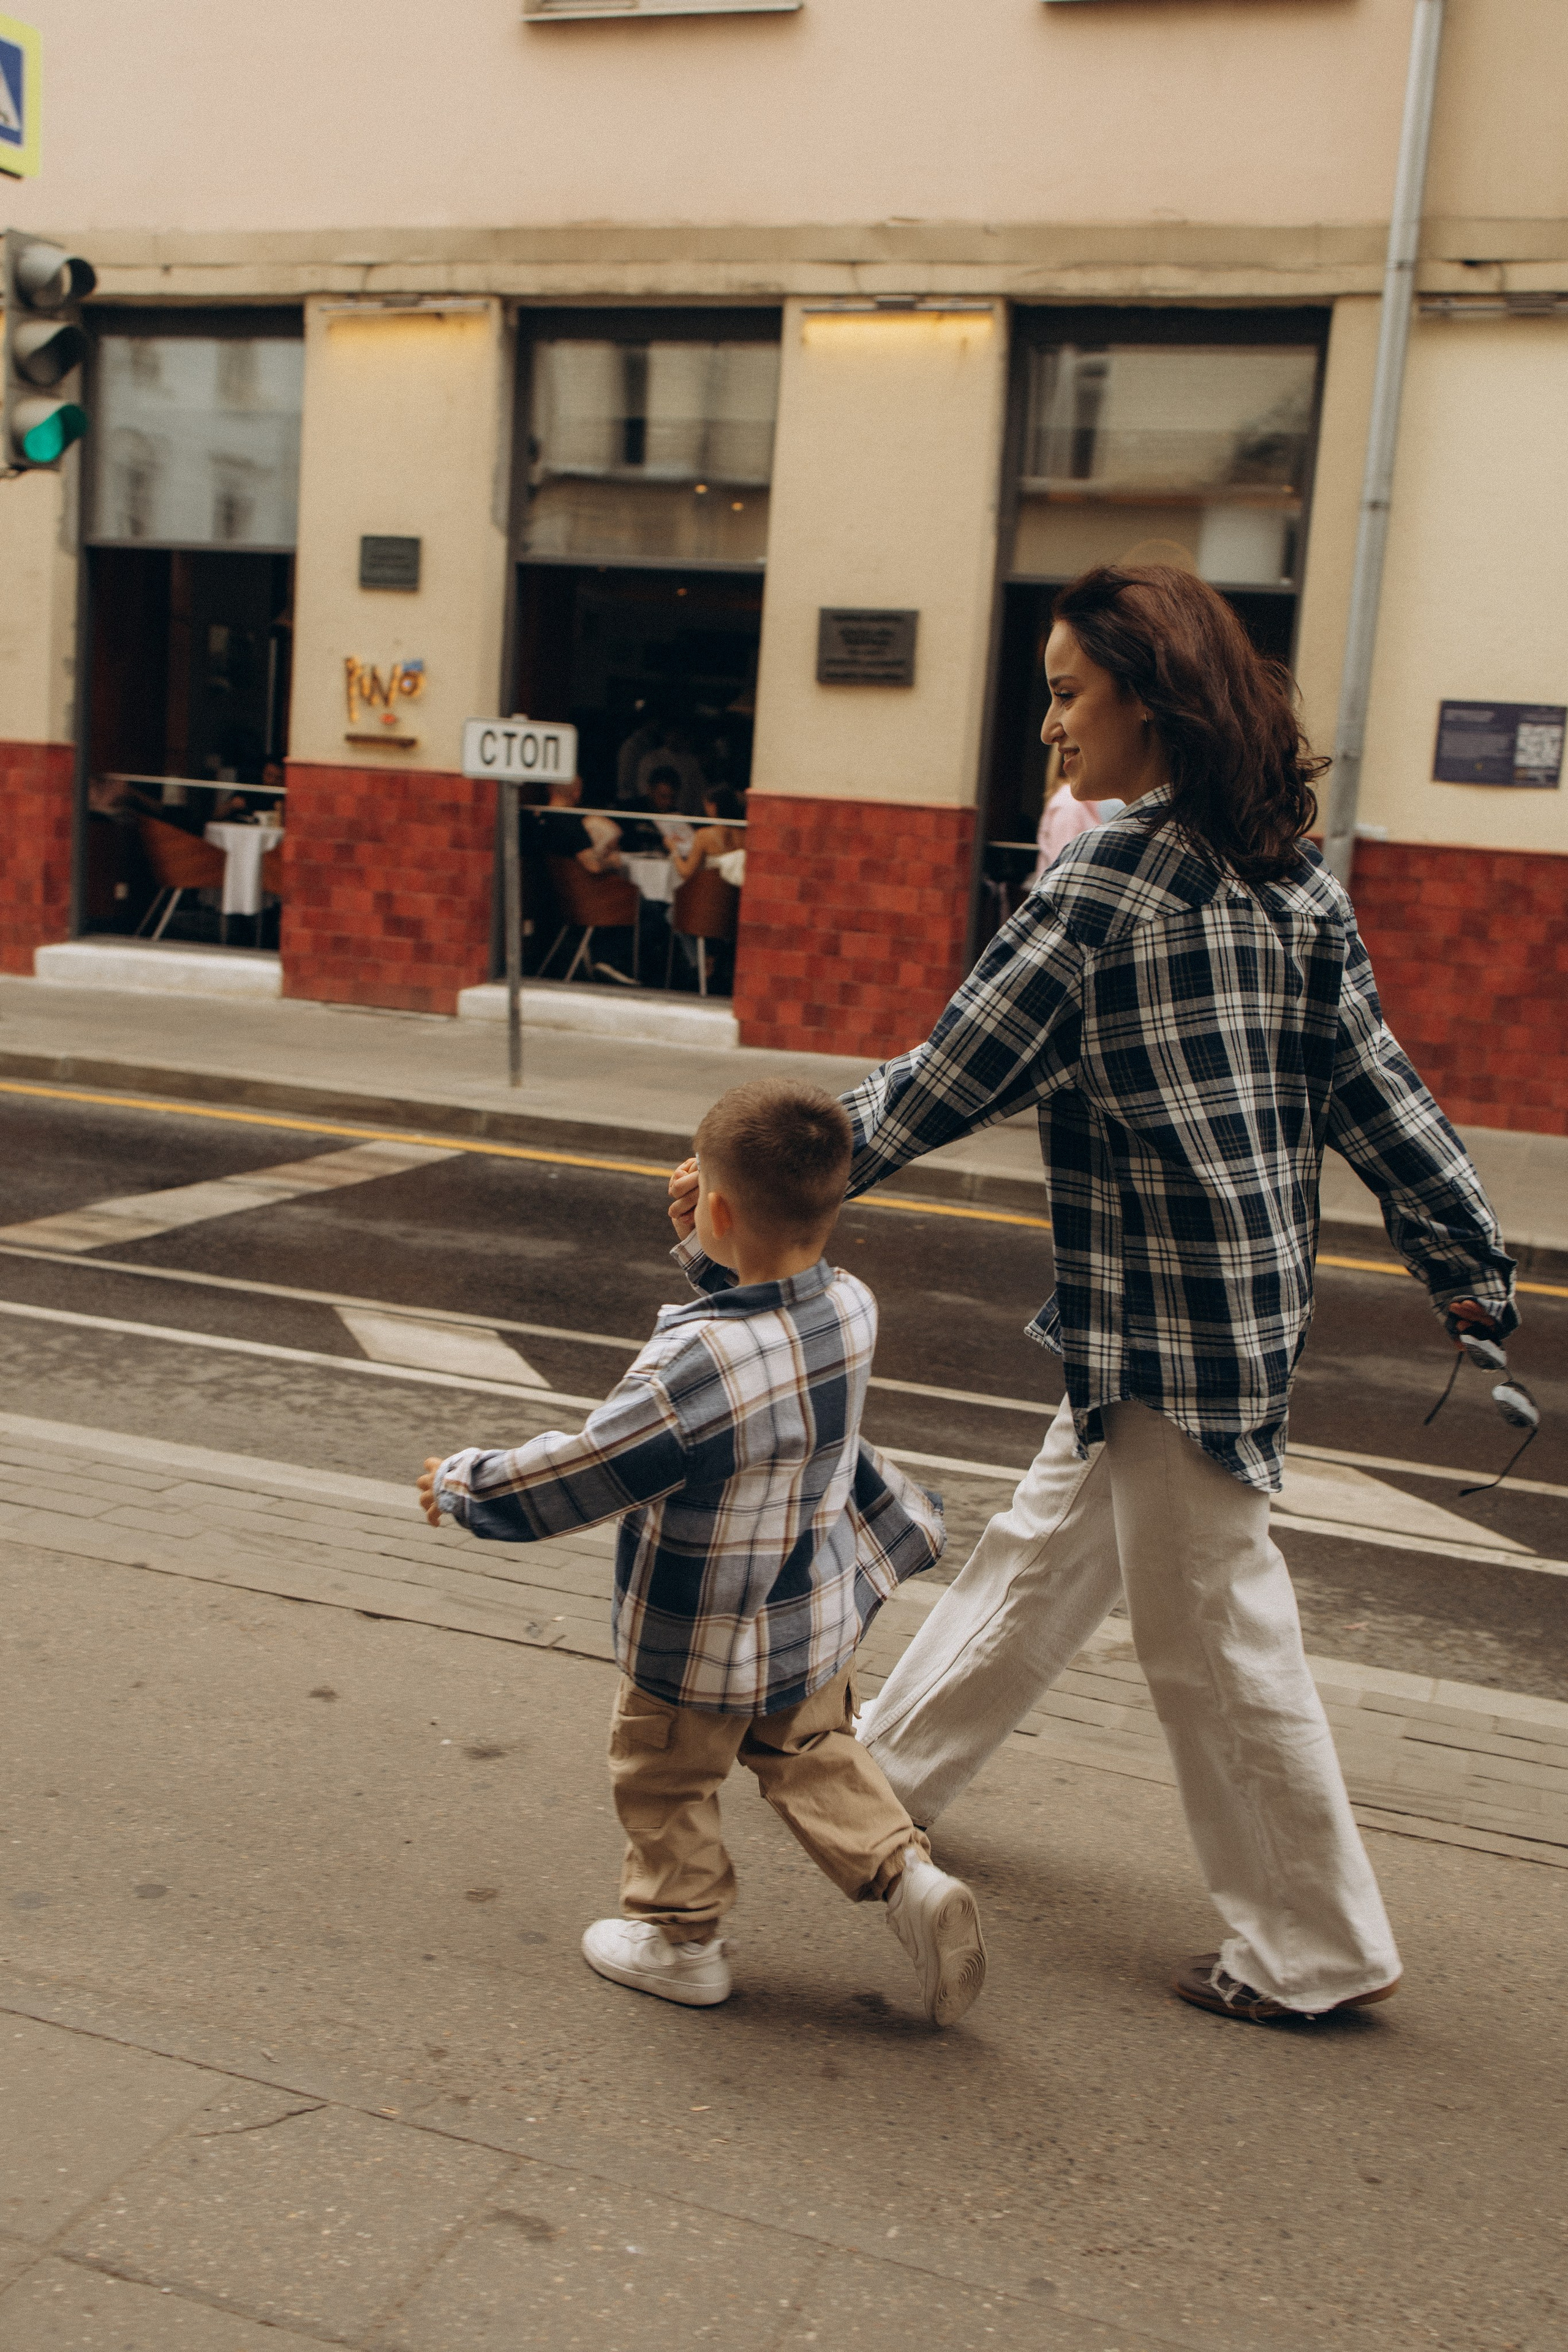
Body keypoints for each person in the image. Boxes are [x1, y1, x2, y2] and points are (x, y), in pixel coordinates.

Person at [669, 564, 1519, 2026]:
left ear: (1150, 691)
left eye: (1067, 692)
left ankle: (1312, 1948)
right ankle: (898, 1776)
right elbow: (1373, 1087)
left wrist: (746, 1182)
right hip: (1221, 1307)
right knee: (1039, 1550)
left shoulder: (1105, 883)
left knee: (1212, 1638)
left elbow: (939, 1080)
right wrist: (1463, 1256)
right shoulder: (1288, 869)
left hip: (1167, 1327)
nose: (1050, 727)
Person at [420, 1080, 987, 2027]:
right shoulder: (852, 1304)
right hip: (806, 1614)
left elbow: (586, 1471)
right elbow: (766, 1307)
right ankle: (907, 1877)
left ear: (719, 1205)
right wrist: (709, 1237)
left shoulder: (692, 1371)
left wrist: (464, 1484)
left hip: (696, 1641)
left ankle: (682, 1942)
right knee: (813, 1751)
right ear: (834, 1202)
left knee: (666, 1779)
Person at [530, 774, 622, 875]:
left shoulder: (535, 818)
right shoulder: (571, 824)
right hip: (573, 885)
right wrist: (612, 862)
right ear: (577, 792)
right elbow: (593, 867)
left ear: (550, 789)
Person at [671, 785, 746, 887]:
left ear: (713, 806)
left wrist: (674, 849)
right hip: (735, 894)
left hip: (709, 893)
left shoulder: (704, 835)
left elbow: (686, 873)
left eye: (706, 805)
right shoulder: (746, 834)